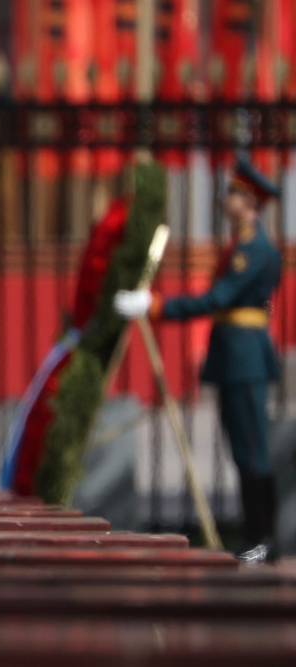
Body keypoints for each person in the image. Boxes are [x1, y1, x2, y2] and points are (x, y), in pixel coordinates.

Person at [114, 157, 281, 564]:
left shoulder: (254, 249)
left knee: (252, 450)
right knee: (242, 450)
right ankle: (254, 534)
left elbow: (218, 299)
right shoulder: (241, 244)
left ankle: (265, 539)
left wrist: (154, 305)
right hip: (233, 355)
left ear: (249, 201)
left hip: (245, 359)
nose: (224, 200)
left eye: (232, 194)